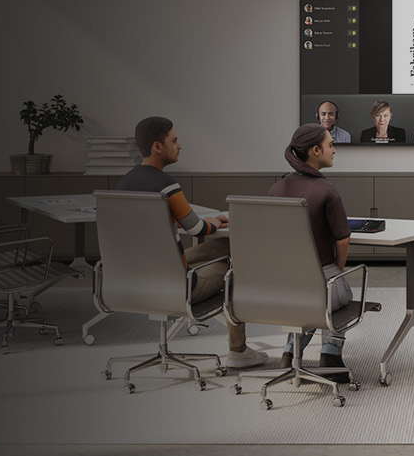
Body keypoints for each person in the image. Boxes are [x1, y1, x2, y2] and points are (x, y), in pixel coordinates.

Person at [117, 116, 268, 369]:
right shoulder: (165, 184)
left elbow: (151, 225)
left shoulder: (126, 182)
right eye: (174, 140)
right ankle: (238, 351)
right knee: (235, 269)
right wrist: (215, 222)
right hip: (178, 282)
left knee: (226, 247)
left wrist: (193, 221)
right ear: (157, 146)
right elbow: (197, 228)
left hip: (140, 275)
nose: (179, 146)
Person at [267, 124, 355, 374]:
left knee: (308, 300)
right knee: (336, 295)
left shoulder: (277, 188)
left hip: (283, 287)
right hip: (320, 285)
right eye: (330, 145)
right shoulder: (327, 190)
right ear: (316, 150)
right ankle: (331, 354)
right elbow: (343, 240)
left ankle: (290, 352)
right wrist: (338, 270)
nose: (334, 150)